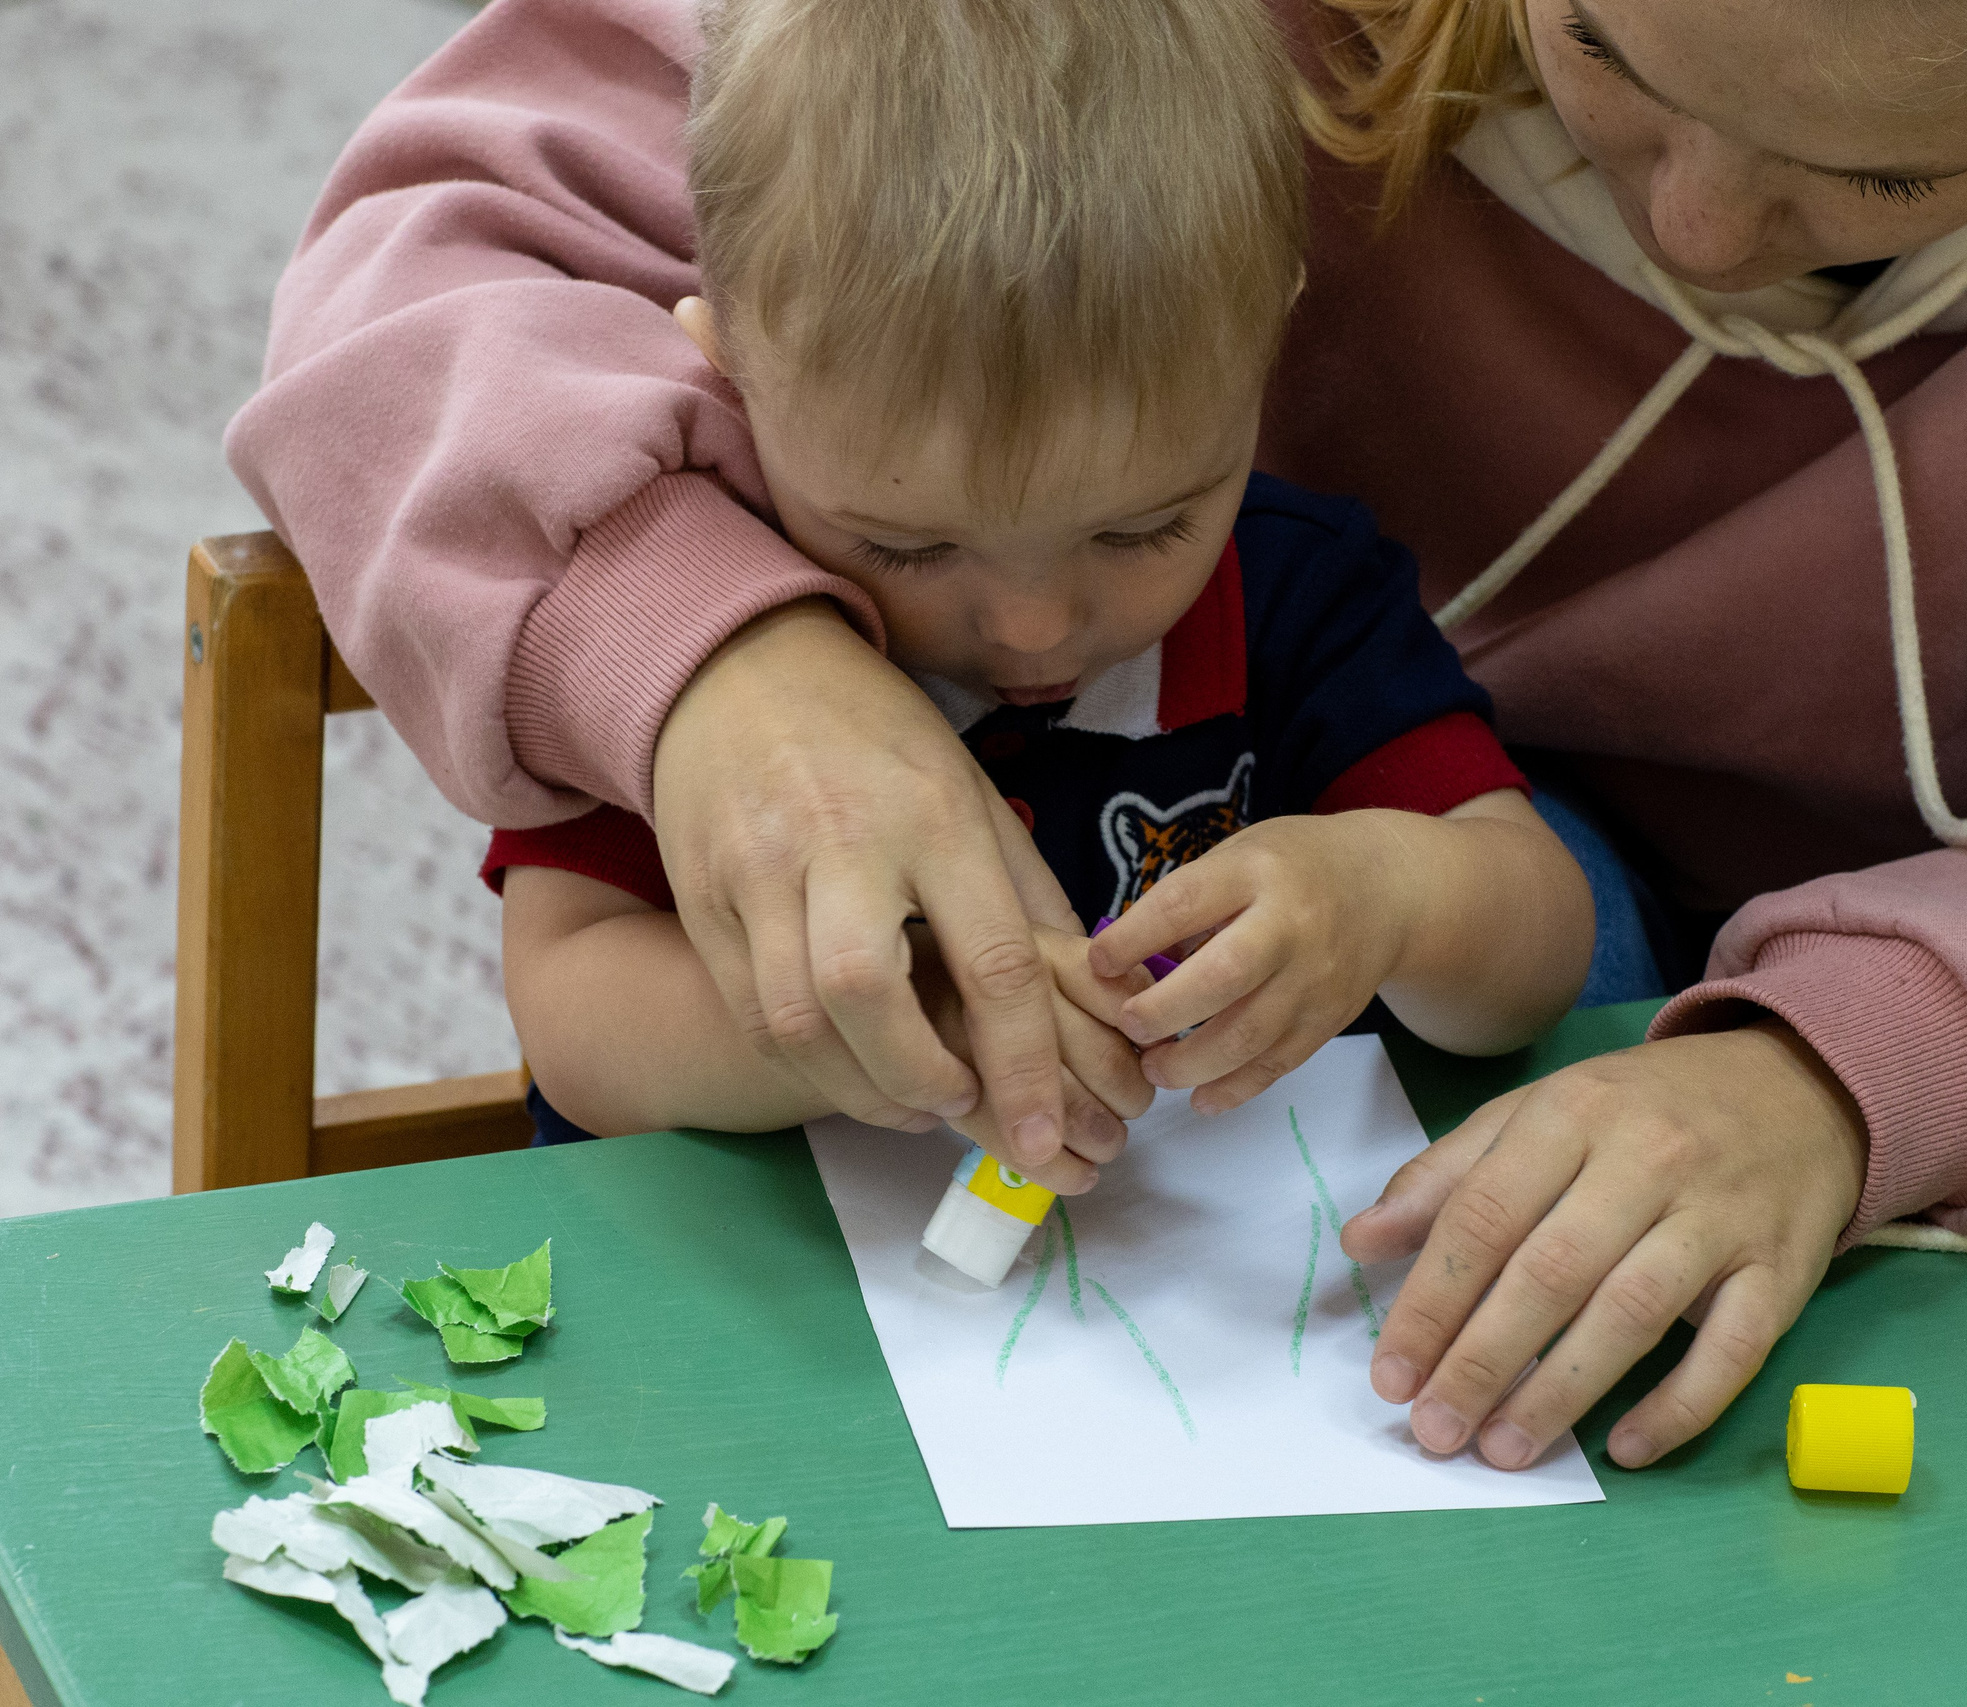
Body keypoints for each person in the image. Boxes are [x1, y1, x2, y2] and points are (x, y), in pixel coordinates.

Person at [228, 0, 1967, 1475]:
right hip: (1380, 922)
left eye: (1878, 190)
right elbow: (423, 277)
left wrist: (1843, 1071)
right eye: (1601, 59)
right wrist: (730, 658)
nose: (1705, 228)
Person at [477, 0, 1593, 1163]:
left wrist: (1392, 897)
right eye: (908, 546)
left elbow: (1545, 943)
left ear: (1268, 343)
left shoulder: (1300, 595)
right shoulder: (692, 636)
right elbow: (572, 1005)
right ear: (727, 377)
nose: (1034, 627)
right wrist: (890, 1021)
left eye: (1144, 529)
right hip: (759, 1287)